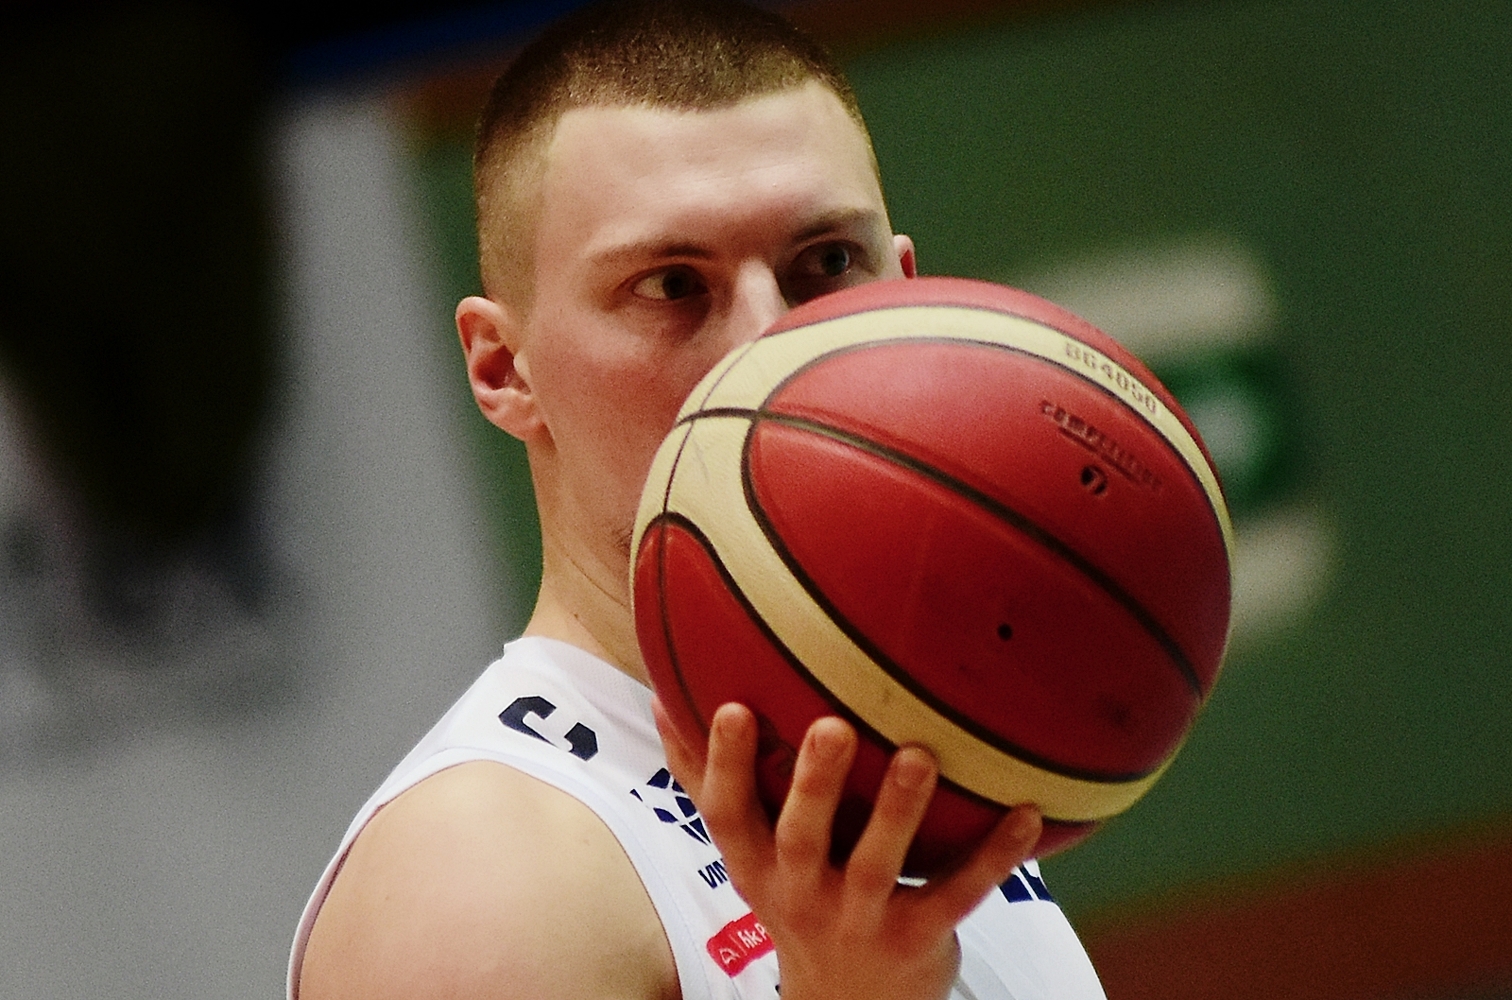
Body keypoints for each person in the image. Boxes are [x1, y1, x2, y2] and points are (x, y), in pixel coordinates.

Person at [289, 2, 1107, 998]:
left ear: (907, 297)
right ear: (505, 367)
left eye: (826, 264)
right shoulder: (478, 882)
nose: (768, 342)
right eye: (672, 284)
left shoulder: (916, 738)